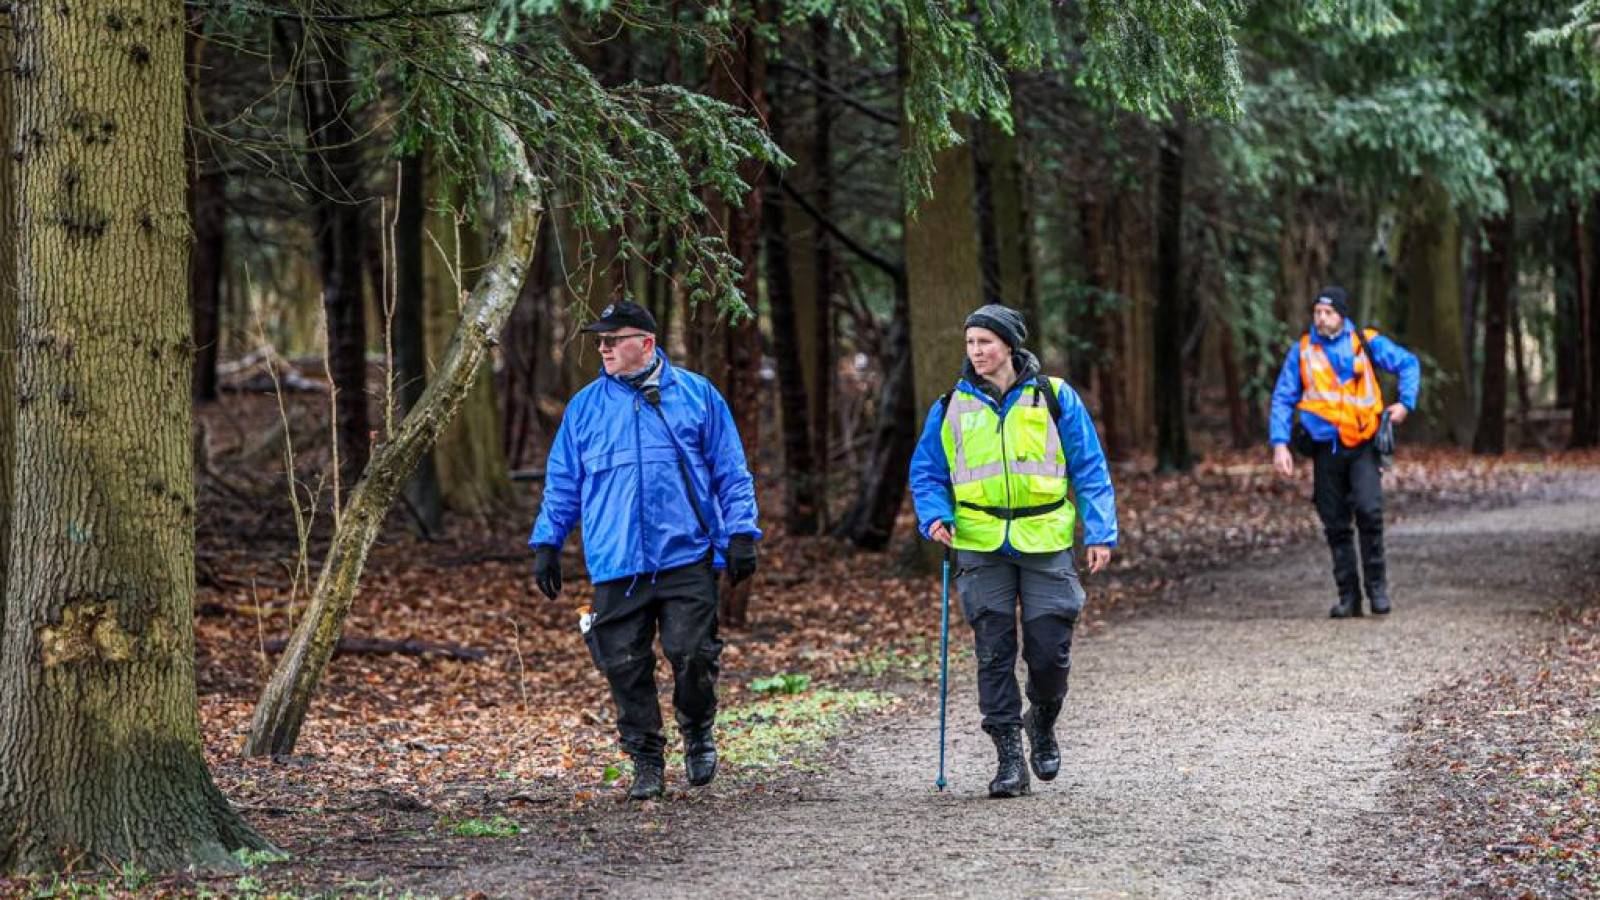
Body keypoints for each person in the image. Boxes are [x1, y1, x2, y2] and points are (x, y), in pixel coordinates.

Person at [529, 300, 760, 800]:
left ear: (648, 344)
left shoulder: (697, 396)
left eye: (615, 339)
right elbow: (563, 483)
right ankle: (646, 761)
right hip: (616, 562)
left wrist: (741, 533)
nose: (604, 347)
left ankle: (698, 731)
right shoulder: (585, 407)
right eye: (600, 340)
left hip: (685, 554)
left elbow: (730, 472)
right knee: (624, 663)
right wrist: (547, 541)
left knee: (691, 652)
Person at [909, 304, 1118, 798]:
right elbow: (927, 472)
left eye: (985, 342)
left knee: (1049, 652)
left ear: (1009, 345)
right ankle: (1008, 760)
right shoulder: (949, 406)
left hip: (1045, 538)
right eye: (970, 344)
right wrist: (935, 515)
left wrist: (1102, 532)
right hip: (980, 541)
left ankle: (1042, 721)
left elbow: (1089, 467)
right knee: (994, 653)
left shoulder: (1054, 397)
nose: (976, 352)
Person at [1270, 286, 1420, 619]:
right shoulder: (1303, 352)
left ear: (1341, 315)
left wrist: (1405, 404)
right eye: (1317, 313)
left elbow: (1408, 363)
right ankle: (1348, 597)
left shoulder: (1366, 343)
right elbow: (1283, 397)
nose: (1321, 319)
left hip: (1363, 445)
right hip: (1325, 449)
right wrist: (1280, 443)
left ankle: (1377, 590)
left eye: (1328, 313)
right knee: (1334, 522)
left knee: (1369, 512)